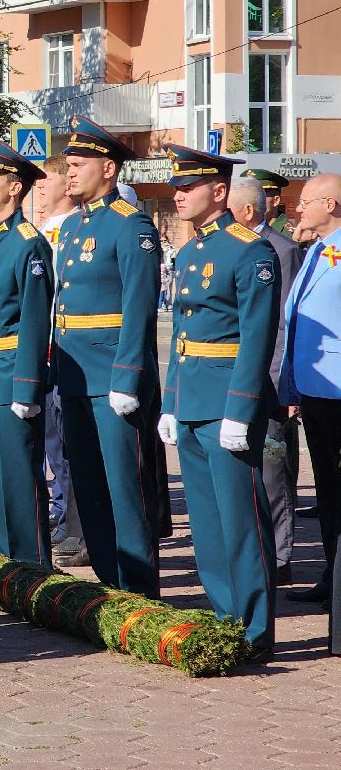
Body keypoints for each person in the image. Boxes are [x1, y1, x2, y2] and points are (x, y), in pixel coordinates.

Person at [154, 143, 279, 658]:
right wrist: (170, 400)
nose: (178, 195)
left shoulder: (251, 251)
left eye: (188, 187)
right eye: (177, 187)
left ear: (220, 191)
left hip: (227, 404)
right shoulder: (191, 251)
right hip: (191, 403)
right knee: (206, 524)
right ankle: (224, 617)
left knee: (240, 520)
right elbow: (183, 333)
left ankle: (254, 629)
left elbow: (257, 337)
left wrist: (241, 409)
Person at [52, 116, 163, 598]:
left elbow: (139, 307)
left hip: (112, 376)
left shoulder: (130, 224)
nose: (69, 173)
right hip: (75, 376)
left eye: (78, 165)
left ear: (109, 169)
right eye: (68, 165)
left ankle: (138, 585)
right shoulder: (76, 226)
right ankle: (106, 578)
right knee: (89, 484)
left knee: (124, 486)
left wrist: (127, 376)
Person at [0, 139, 55, 565]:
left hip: (13, 376)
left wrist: (26, 387)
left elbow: (36, 321)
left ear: (15, 187)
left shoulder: (28, 244)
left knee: (20, 479)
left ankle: (33, 566)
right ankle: (5, 563)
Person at [230, 174, 303, 585]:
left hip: (271, 382)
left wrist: (283, 381)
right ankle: (252, 552)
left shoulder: (282, 249)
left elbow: (283, 324)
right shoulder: (231, 247)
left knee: (275, 472)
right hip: (237, 377)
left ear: (247, 211)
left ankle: (280, 557)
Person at [280, 172, 341, 612]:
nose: (298, 209)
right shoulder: (316, 252)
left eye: (307, 201)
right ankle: (331, 572)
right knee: (326, 490)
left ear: (332, 205)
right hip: (315, 391)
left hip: (338, 389)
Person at [34, 152, 85, 566]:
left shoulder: (70, 229)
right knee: (54, 440)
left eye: (44, 183)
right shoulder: (47, 228)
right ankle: (61, 513)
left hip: (64, 345)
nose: (40, 191)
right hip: (48, 347)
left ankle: (69, 518)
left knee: (65, 442)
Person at [243, 168, 293, 238]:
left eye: (258, 195)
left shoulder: (287, 236)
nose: (250, 199)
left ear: (276, 201)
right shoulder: (239, 230)